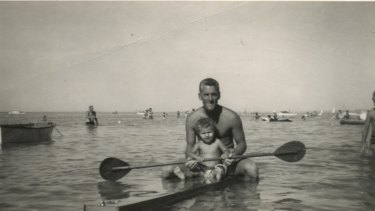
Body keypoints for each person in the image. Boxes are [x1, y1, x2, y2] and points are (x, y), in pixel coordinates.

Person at [162, 78, 259, 181]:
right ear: (200, 96)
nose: (210, 99)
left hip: (227, 162)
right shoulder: (192, 119)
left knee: (252, 169)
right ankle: (191, 184)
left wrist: (233, 155)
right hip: (203, 163)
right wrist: (190, 160)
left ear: (219, 95)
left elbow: (242, 144)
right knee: (167, 170)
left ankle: (238, 193)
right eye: (206, 95)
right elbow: (189, 147)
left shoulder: (231, 117)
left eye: (214, 94)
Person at [361, 91, 375, 157]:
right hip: (373, 141)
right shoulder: (370, 113)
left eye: (374, 97)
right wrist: (363, 143)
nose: (372, 99)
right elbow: (365, 129)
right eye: (373, 97)